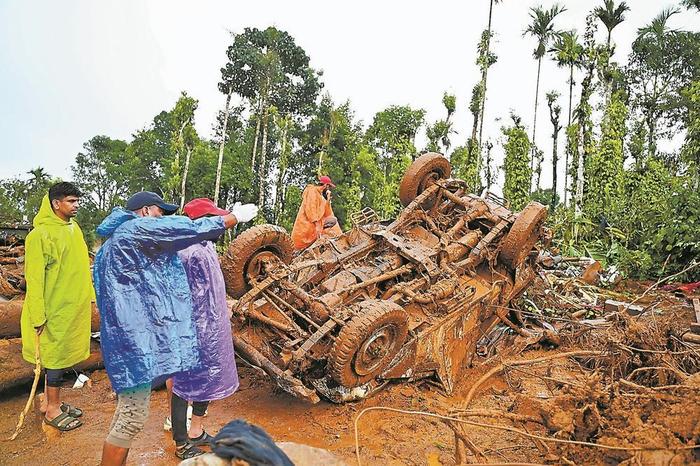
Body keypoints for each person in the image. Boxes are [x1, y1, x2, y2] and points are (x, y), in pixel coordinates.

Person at [93, 191, 257, 466]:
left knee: (129, 414)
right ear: (145, 211)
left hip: (130, 336)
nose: (162, 218)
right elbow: (188, 229)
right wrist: (232, 219)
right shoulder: (135, 229)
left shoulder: (115, 242)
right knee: (131, 418)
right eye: (159, 212)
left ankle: (192, 431)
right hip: (135, 341)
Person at [169, 198, 240, 459]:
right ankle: (180, 440)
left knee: (207, 378)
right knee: (183, 384)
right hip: (191, 326)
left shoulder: (206, 244)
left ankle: (196, 430)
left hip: (212, 325)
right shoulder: (186, 250)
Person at [20, 182, 93, 432]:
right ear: (56, 204)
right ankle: (51, 409)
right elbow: (35, 280)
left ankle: (53, 402)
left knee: (61, 359)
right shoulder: (38, 236)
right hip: (51, 312)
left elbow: (81, 266)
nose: (76, 206)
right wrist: (37, 317)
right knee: (53, 361)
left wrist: (89, 297)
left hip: (71, 308)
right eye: (71, 201)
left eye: (77, 201)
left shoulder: (74, 229)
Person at [291, 175, 342, 250]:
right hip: (306, 226)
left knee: (333, 220)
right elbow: (311, 209)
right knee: (331, 221)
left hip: (314, 226)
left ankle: (318, 243)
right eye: (329, 186)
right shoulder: (312, 191)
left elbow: (328, 213)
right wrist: (317, 224)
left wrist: (328, 199)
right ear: (325, 185)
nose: (329, 189)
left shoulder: (320, 196)